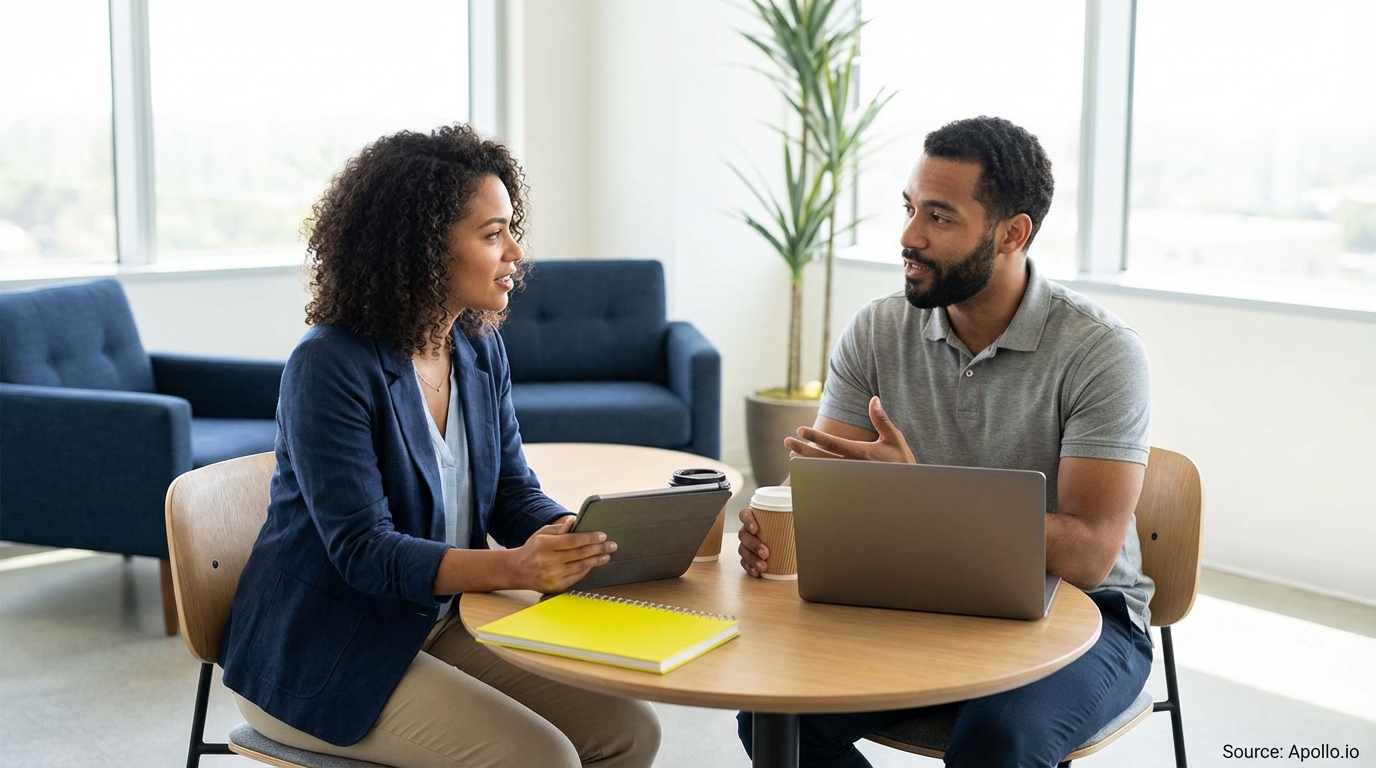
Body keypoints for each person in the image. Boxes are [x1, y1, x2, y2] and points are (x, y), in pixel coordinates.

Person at [218, 125, 661, 767]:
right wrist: (512, 569)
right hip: (323, 650)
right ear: (423, 248)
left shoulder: (478, 348)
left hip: (437, 622)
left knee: (630, 730)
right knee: (541, 760)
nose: (515, 252)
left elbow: (512, 492)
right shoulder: (329, 367)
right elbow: (363, 552)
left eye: (512, 228)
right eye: (491, 234)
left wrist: (566, 531)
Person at [735, 116, 1155, 768]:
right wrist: (784, 526)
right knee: (774, 716)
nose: (909, 236)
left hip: (1083, 617)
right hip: (919, 599)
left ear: (1013, 233)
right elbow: (819, 484)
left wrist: (916, 496)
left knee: (997, 741)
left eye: (939, 217)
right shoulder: (877, 331)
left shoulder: (1100, 352)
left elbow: (1091, 554)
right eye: (909, 209)